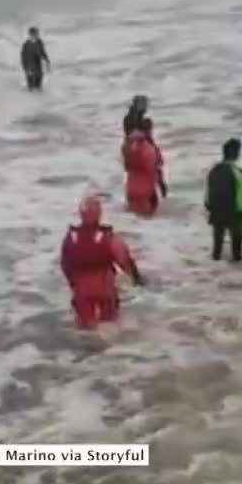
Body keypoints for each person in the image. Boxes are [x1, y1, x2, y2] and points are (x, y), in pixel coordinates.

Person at [60, 197, 144, 329]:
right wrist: (137, 280)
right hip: (105, 291)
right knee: (110, 326)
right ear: (99, 214)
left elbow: (65, 266)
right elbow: (124, 260)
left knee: (85, 329)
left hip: (82, 292)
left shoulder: (71, 238)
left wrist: (73, 284)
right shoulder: (108, 238)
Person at [206, 138, 242, 262]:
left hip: (217, 212)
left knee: (217, 249)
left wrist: (211, 208)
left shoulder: (214, 170)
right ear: (235, 153)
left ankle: (213, 272)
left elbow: (208, 196)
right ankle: (234, 275)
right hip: (234, 213)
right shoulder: (237, 173)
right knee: (237, 252)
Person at [122, 119, 166, 216]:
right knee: (147, 221)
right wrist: (161, 183)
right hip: (147, 192)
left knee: (134, 220)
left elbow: (127, 165)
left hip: (132, 189)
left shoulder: (128, 147)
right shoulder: (150, 148)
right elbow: (158, 167)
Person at [20, 27, 50, 91]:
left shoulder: (40, 42)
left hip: (38, 66)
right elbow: (23, 57)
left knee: (38, 86)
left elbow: (43, 52)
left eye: (36, 33)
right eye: (33, 34)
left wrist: (47, 60)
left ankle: (38, 99)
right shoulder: (26, 44)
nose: (36, 35)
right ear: (30, 34)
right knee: (30, 87)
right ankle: (28, 98)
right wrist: (25, 67)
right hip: (29, 66)